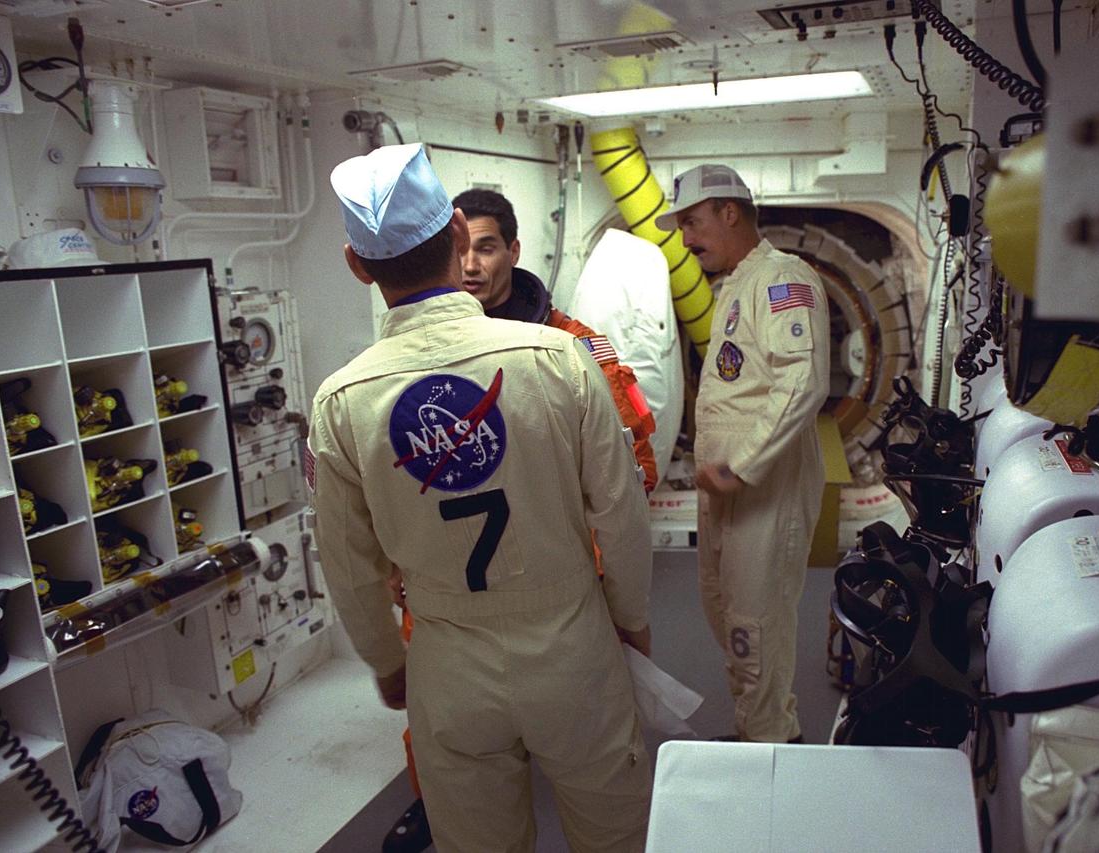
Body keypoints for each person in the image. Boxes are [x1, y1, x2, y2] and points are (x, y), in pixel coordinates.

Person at [309, 143, 654, 853]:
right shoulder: (557, 358)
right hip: (571, 644)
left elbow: (348, 564)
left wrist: (386, 659)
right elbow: (621, 513)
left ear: (356, 265)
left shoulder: (340, 401)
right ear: (460, 234)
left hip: (446, 659)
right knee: (615, 833)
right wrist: (632, 619)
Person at [654, 163, 831, 744]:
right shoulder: (736, 285)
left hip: (762, 487)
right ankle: (758, 726)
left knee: (754, 623)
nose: (685, 238)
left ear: (730, 212)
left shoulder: (782, 279)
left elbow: (801, 380)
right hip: (727, 490)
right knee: (724, 610)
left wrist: (743, 465)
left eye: (693, 222)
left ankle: (772, 743)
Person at [454, 187, 658, 492]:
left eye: (485, 249)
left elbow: (637, 470)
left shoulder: (572, 344)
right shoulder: (437, 347)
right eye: (459, 250)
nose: (469, 265)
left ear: (513, 252)